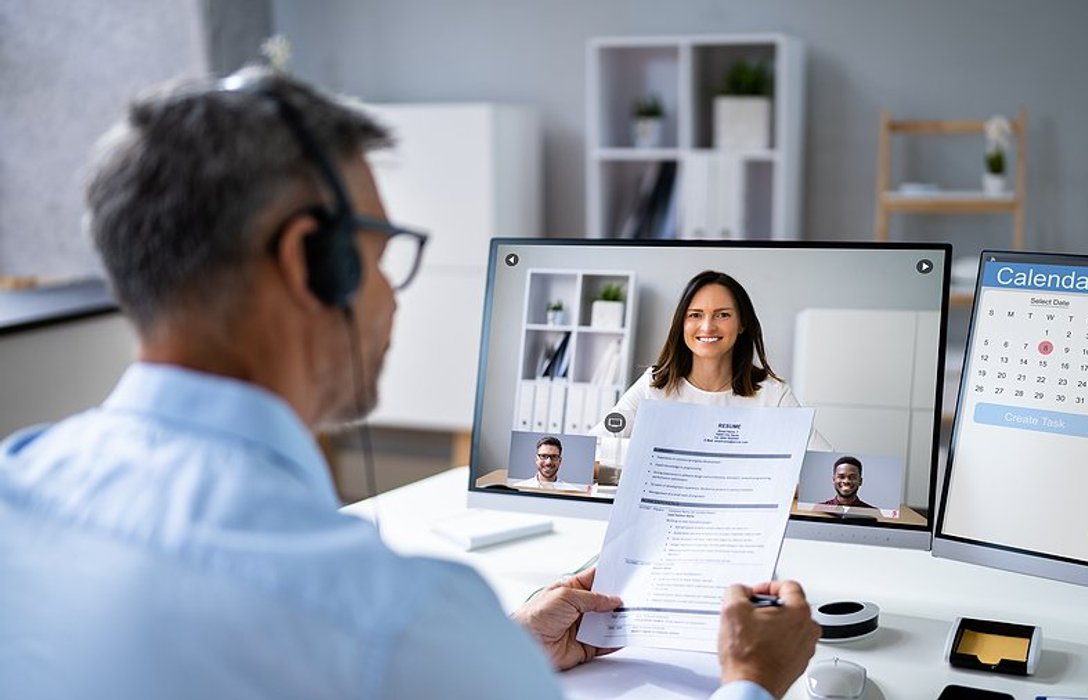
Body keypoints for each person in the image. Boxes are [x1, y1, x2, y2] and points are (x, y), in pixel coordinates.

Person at [0, 68, 818, 699]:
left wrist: (501, 647)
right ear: (309, 262)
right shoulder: (390, 613)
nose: (393, 292)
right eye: (382, 250)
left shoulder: (14, 487)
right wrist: (751, 677)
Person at [591, 270, 830, 450]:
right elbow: (596, 446)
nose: (707, 327)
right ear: (682, 323)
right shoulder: (654, 384)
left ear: (742, 324)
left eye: (723, 315)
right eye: (695, 315)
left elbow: (828, 467)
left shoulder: (773, 394)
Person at [514, 435, 583, 491]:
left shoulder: (573, 491)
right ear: (536, 459)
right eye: (543, 456)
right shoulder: (518, 488)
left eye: (554, 456)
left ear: (560, 461)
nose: (548, 462)